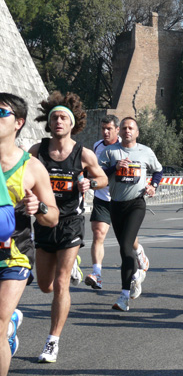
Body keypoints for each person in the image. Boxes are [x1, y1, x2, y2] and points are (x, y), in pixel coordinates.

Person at [29, 92, 107, 363]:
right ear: (49, 123)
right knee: (45, 286)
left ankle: (52, 341)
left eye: (63, 117)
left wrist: (90, 184)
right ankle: (71, 265)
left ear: (72, 123)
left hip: (71, 222)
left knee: (62, 283)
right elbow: (23, 177)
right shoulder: (37, 151)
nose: (59, 121)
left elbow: (103, 178)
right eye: (54, 118)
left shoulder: (82, 154)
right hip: (43, 221)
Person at [0, 93, 58, 375]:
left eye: (1, 113)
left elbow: (52, 217)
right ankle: (10, 328)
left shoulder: (31, 167)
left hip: (14, 255)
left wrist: (39, 206)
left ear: (18, 123)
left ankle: (5, 327)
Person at [98, 117, 163, 312]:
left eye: (131, 128)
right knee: (125, 246)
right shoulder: (110, 152)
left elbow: (158, 171)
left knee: (126, 248)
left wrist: (153, 186)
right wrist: (114, 168)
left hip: (136, 204)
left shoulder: (145, 151)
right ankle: (136, 276)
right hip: (116, 205)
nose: (127, 131)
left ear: (137, 132)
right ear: (119, 131)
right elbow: (99, 174)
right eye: (124, 128)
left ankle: (124, 296)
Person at [86, 115, 150, 290]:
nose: (105, 132)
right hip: (102, 196)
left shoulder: (127, 146)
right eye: (103, 129)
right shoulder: (97, 147)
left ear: (117, 130)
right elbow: (97, 171)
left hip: (123, 199)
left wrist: (149, 185)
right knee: (98, 233)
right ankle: (97, 274)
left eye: (109, 129)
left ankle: (139, 253)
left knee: (127, 240)